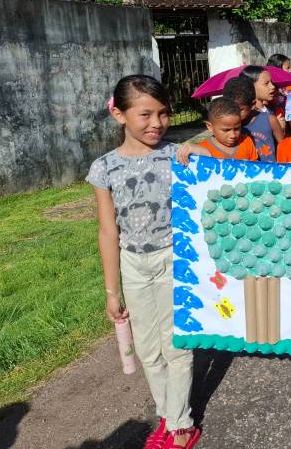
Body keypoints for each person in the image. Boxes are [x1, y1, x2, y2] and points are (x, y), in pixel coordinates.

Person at [87, 75, 206, 449]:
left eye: (164, 113)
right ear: (119, 115)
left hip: (174, 260)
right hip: (132, 265)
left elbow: (220, 175)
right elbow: (108, 233)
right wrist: (112, 290)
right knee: (149, 350)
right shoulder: (103, 168)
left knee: (177, 346)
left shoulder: (176, 156)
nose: (157, 123)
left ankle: (182, 424)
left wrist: (197, 153)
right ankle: (167, 417)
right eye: (145, 114)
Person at [223, 76, 282, 162]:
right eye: (230, 108)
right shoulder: (226, 126)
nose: (234, 113)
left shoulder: (270, 120)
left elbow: (284, 147)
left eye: (240, 110)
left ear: (252, 105)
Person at [194, 97, 259, 160]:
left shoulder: (246, 142)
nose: (233, 135)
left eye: (237, 128)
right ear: (210, 127)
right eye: (226, 130)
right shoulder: (201, 150)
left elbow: (255, 168)